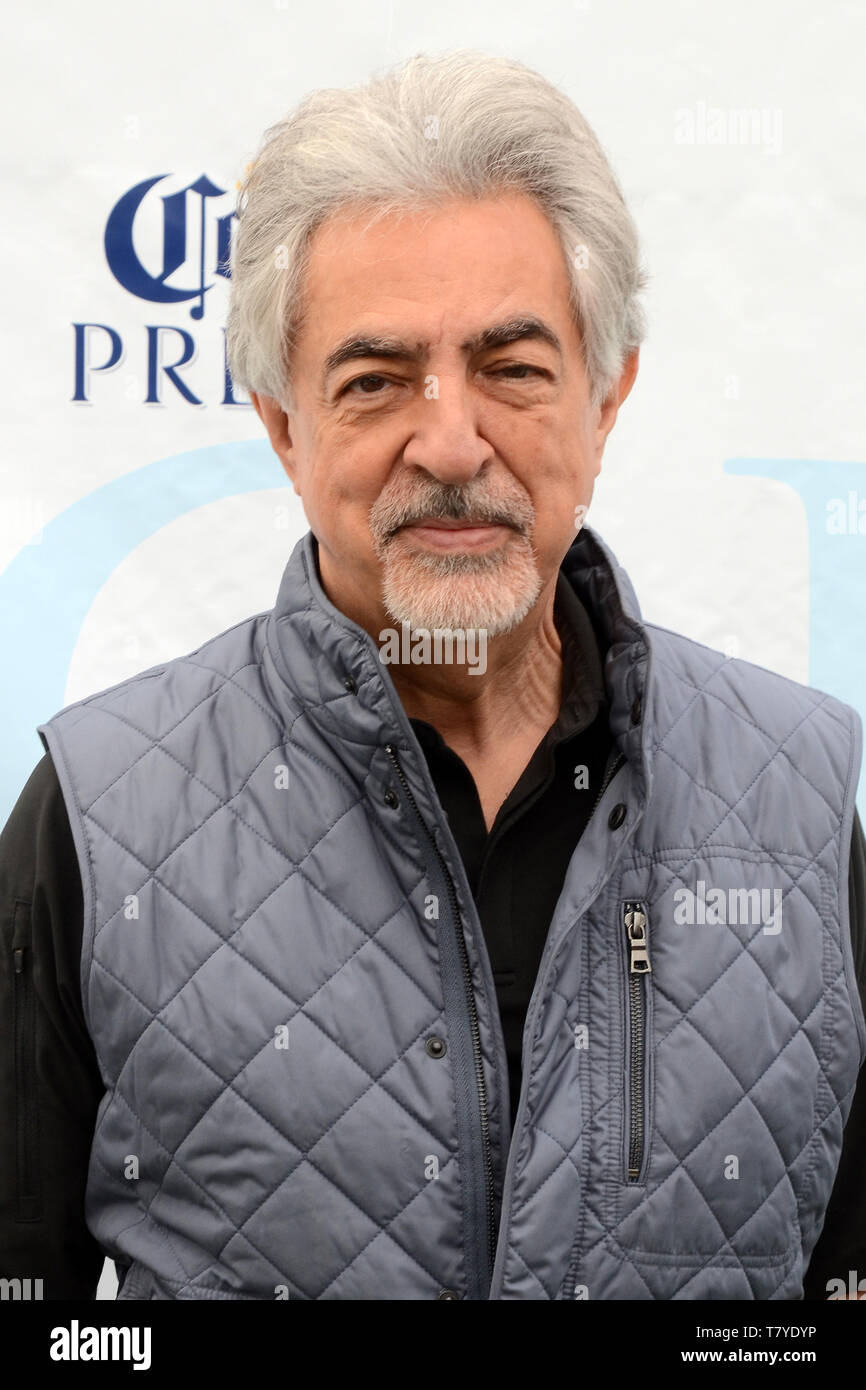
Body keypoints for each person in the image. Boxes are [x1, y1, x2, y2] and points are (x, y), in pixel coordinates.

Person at [1, 50, 864, 1302]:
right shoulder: (93, 824)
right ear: (283, 426)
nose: (451, 442)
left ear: (605, 401)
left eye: (512, 369)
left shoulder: (795, 809)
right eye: (375, 380)